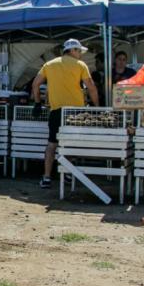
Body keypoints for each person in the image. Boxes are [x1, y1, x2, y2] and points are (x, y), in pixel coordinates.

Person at [31, 39, 99, 188]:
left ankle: (47, 177)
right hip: (75, 112)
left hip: (56, 111)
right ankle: (68, 174)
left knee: (51, 144)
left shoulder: (49, 64)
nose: (80, 54)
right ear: (73, 50)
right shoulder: (81, 65)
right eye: (79, 51)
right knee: (71, 143)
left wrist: (37, 103)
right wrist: (97, 106)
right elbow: (91, 87)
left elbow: (35, 84)